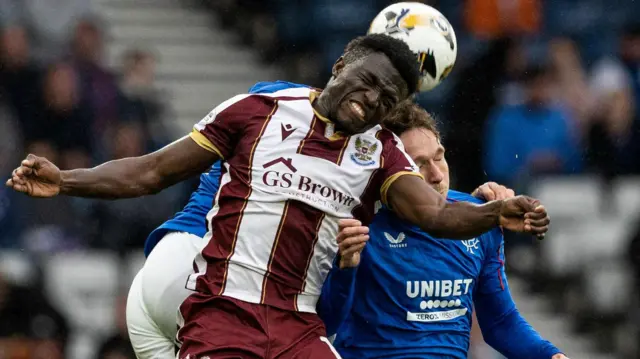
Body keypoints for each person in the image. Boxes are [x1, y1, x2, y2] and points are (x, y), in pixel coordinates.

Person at [7, 34, 548, 358]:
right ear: (340, 67)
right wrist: (67, 179)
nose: (372, 100)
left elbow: (433, 212)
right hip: (222, 311)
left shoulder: (381, 151)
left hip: (297, 327)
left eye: (386, 99)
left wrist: (492, 212)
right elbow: (151, 172)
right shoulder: (258, 109)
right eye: (368, 81)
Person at [324, 102, 565, 359]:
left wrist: (551, 355)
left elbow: (500, 322)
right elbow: (327, 324)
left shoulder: (480, 218)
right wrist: (345, 269)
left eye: (439, 157)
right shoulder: (356, 222)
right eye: (419, 164)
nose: (437, 175)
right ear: (390, 172)